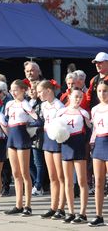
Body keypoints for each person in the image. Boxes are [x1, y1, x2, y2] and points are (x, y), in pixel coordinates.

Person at [56, 87, 90, 224]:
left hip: (79, 148)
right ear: (69, 96)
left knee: (82, 181)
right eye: (75, 96)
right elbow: (55, 128)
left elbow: (89, 130)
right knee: (68, 182)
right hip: (66, 147)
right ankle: (70, 212)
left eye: (80, 97)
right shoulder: (61, 112)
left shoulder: (84, 113)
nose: (78, 99)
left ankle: (82, 213)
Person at [4, 79, 37, 217]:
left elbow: (37, 120)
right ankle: (18, 204)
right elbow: (6, 119)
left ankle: (28, 205)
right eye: (11, 90)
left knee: (24, 173)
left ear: (23, 90)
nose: (13, 92)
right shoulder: (9, 104)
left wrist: (29, 127)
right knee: (15, 173)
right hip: (11, 138)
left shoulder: (26, 104)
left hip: (22, 138)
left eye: (15, 90)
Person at [37, 80, 66, 219]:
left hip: (57, 140)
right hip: (47, 140)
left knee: (61, 176)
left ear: (49, 90)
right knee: (52, 176)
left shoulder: (59, 106)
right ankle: (53, 207)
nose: (38, 94)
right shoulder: (43, 105)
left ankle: (61, 208)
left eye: (40, 91)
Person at [88, 80, 108, 227]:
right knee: (98, 182)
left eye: (105, 91)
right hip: (99, 144)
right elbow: (95, 129)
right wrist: (91, 143)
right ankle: (99, 216)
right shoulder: (94, 109)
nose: (102, 94)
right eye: (100, 91)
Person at [0, 80, 13, 196]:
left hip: (6, 135)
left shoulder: (8, 103)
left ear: (4, 92)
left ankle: (6, 186)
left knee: (5, 163)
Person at [28, 81, 45, 197]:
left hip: (38, 136)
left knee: (38, 162)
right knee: (29, 163)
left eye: (34, 90)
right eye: (30, 89)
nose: (32, 92)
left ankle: (38, 186)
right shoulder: (28, 102)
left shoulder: (41, 104)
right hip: (28, 136)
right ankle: (36, 183)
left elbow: (41, 121)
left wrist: (28, 124)